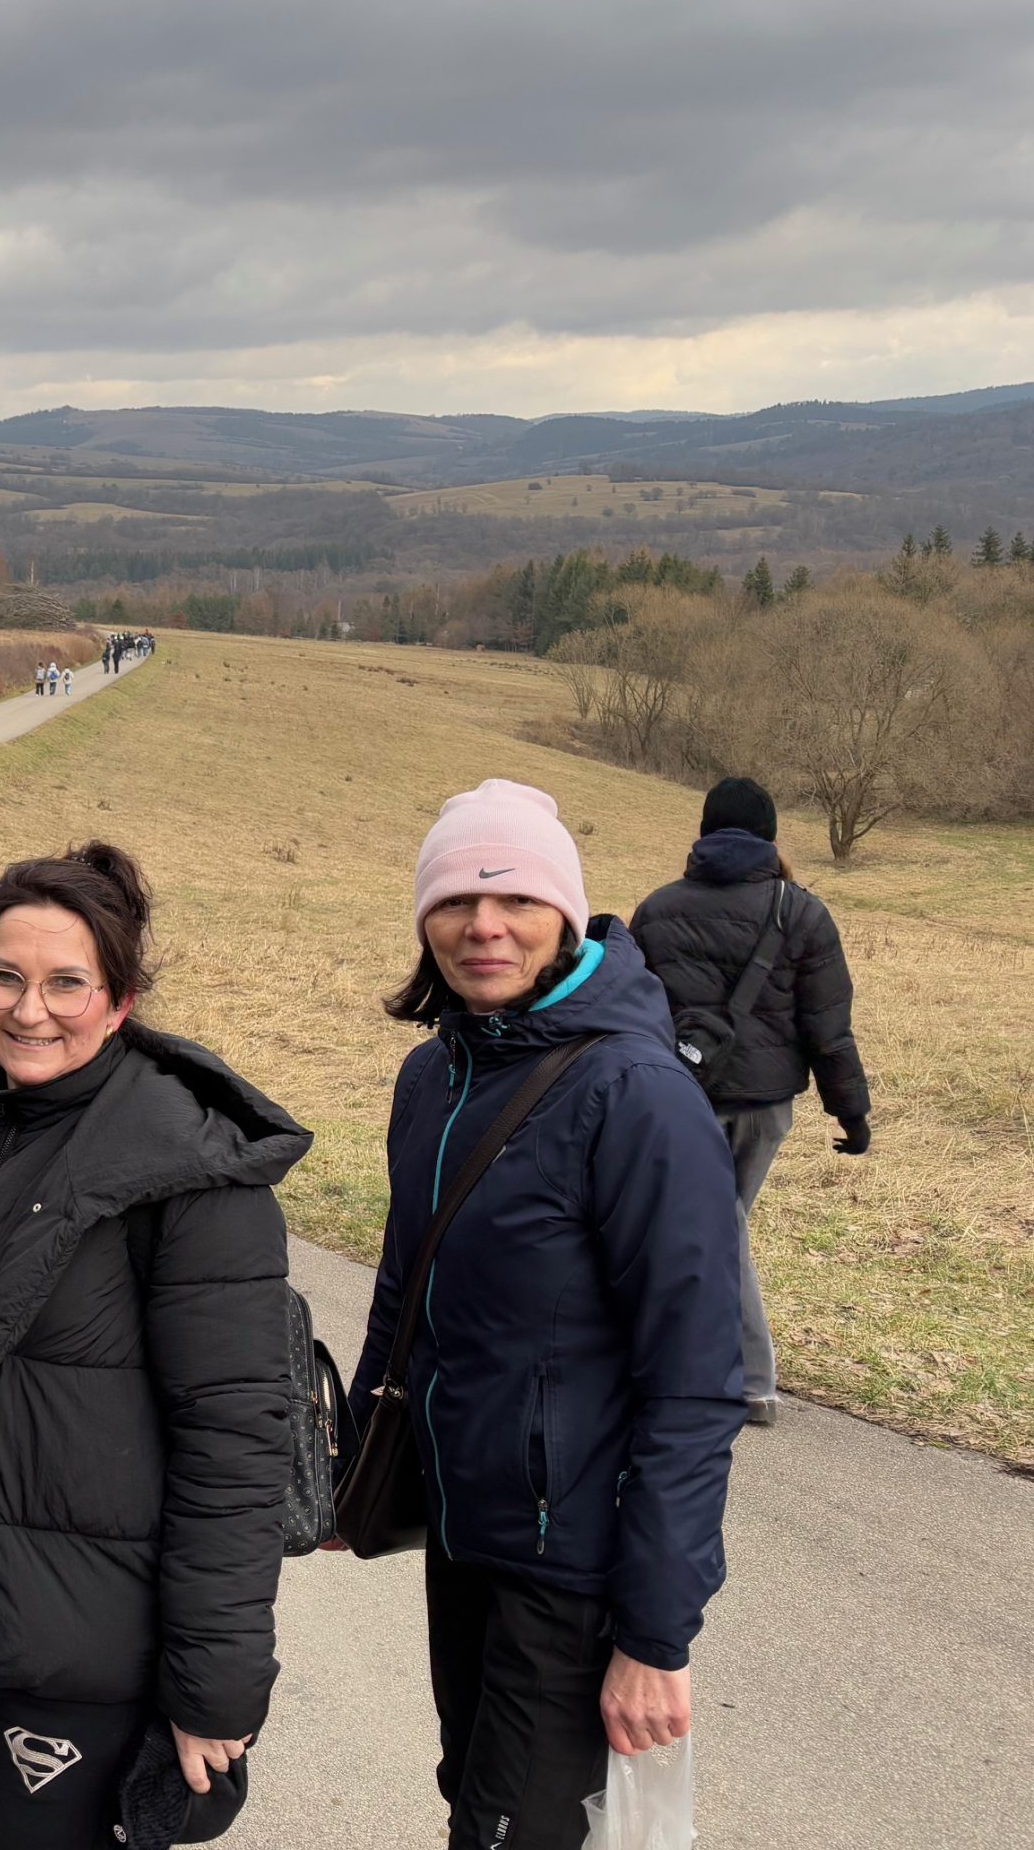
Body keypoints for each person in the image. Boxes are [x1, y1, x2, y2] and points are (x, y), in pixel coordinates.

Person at [0, 842, 305, 1850]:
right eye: (4, 976)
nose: (29, 1010)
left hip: (86, 1651)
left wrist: (214, 1688)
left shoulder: (188, 1172)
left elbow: (235, 1449)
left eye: (66, 983)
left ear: (120, 1000)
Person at [350, 780, 742, 1850]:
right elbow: (405, 1289)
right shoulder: (435, 1075)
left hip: (569, 1565)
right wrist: (356, 1465)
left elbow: (694, 1383)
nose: (484, 927)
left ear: (565, 915)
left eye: (516, 900)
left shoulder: (636, 1095)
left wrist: (654, 1636)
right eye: (454, 902)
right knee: (472, 1800)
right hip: (463, 1539)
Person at [631, 775, 872, 1427]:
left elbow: (634, 1012)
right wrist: (851, 1111)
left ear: (705, 831)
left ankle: (721, 1370)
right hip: (765, 1107)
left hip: (677, 1095)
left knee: (709, 1225)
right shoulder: (804, 912)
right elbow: (828, 1027)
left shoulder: (657, 909)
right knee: (718, 1223)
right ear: (770, 835)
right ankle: (748, 1381)